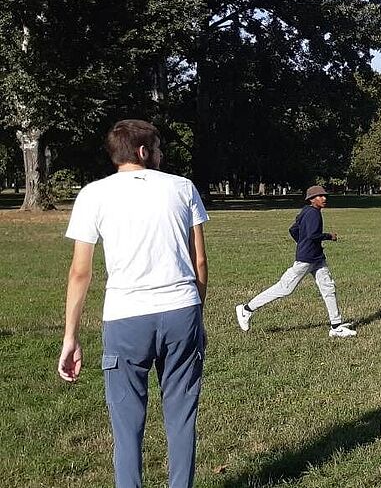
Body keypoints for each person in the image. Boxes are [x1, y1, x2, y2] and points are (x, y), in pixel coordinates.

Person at [58, 119, 209, 488]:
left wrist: (70, 337)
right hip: (180, 311)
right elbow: (200, 262)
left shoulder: (93, 195)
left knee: (126, 426)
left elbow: (80, 272)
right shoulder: (183, 187)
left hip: (125, 318)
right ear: (143, 152)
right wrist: (195, 317)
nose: (161, 154)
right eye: (157, 148)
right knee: (181, 418)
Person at [235, 185, 356, 337]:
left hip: (316, 257)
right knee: (284, 288)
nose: (324, 198)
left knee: (328, 288)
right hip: (306, 259)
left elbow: (293, 229)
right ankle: (246, 309)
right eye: (320, 196)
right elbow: (313, 235)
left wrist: (302, 242)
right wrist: (329, 236)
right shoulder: (314, 214)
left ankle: (336, 326)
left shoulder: (306, 211)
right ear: (312, 199)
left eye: (324, 196)